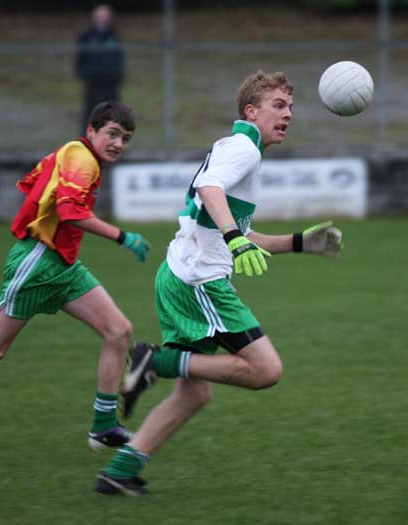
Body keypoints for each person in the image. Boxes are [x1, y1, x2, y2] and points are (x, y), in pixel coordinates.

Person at [95, 70, 343, 496]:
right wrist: (233, 239)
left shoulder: (241, 149)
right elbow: (211, 190)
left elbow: (236, 230)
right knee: (266, 370)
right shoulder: (242, 148)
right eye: (278, 106)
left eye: (290, 107)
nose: (288, 115)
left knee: (194, 396)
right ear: (251, 111)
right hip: (198, 282)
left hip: (180, 276)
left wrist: (301, 242)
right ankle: (155, 362)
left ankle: (120, 471)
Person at [0, 100, 150, 452]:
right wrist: (122, 236)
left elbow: (36, 181)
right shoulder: (82, 158)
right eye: (112, 134)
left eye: (125, 138)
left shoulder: (75, 154)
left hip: (62, 265)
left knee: (118, 330)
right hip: (37, 262)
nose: (118, 144)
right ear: (91, 130)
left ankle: (104, 427)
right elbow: (70, 211)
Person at [75, 4, 125, 134]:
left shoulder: (114, 36)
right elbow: (80, 58)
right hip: (93, 82)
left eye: (106, 15)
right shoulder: (86, 37)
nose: (103, 18)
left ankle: (112, 143)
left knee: (112, 115)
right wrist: (84, 73)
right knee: (91, 113)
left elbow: (119, 58)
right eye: (100, 15)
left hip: (111, 82)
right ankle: (86, 145)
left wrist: (118, 75)